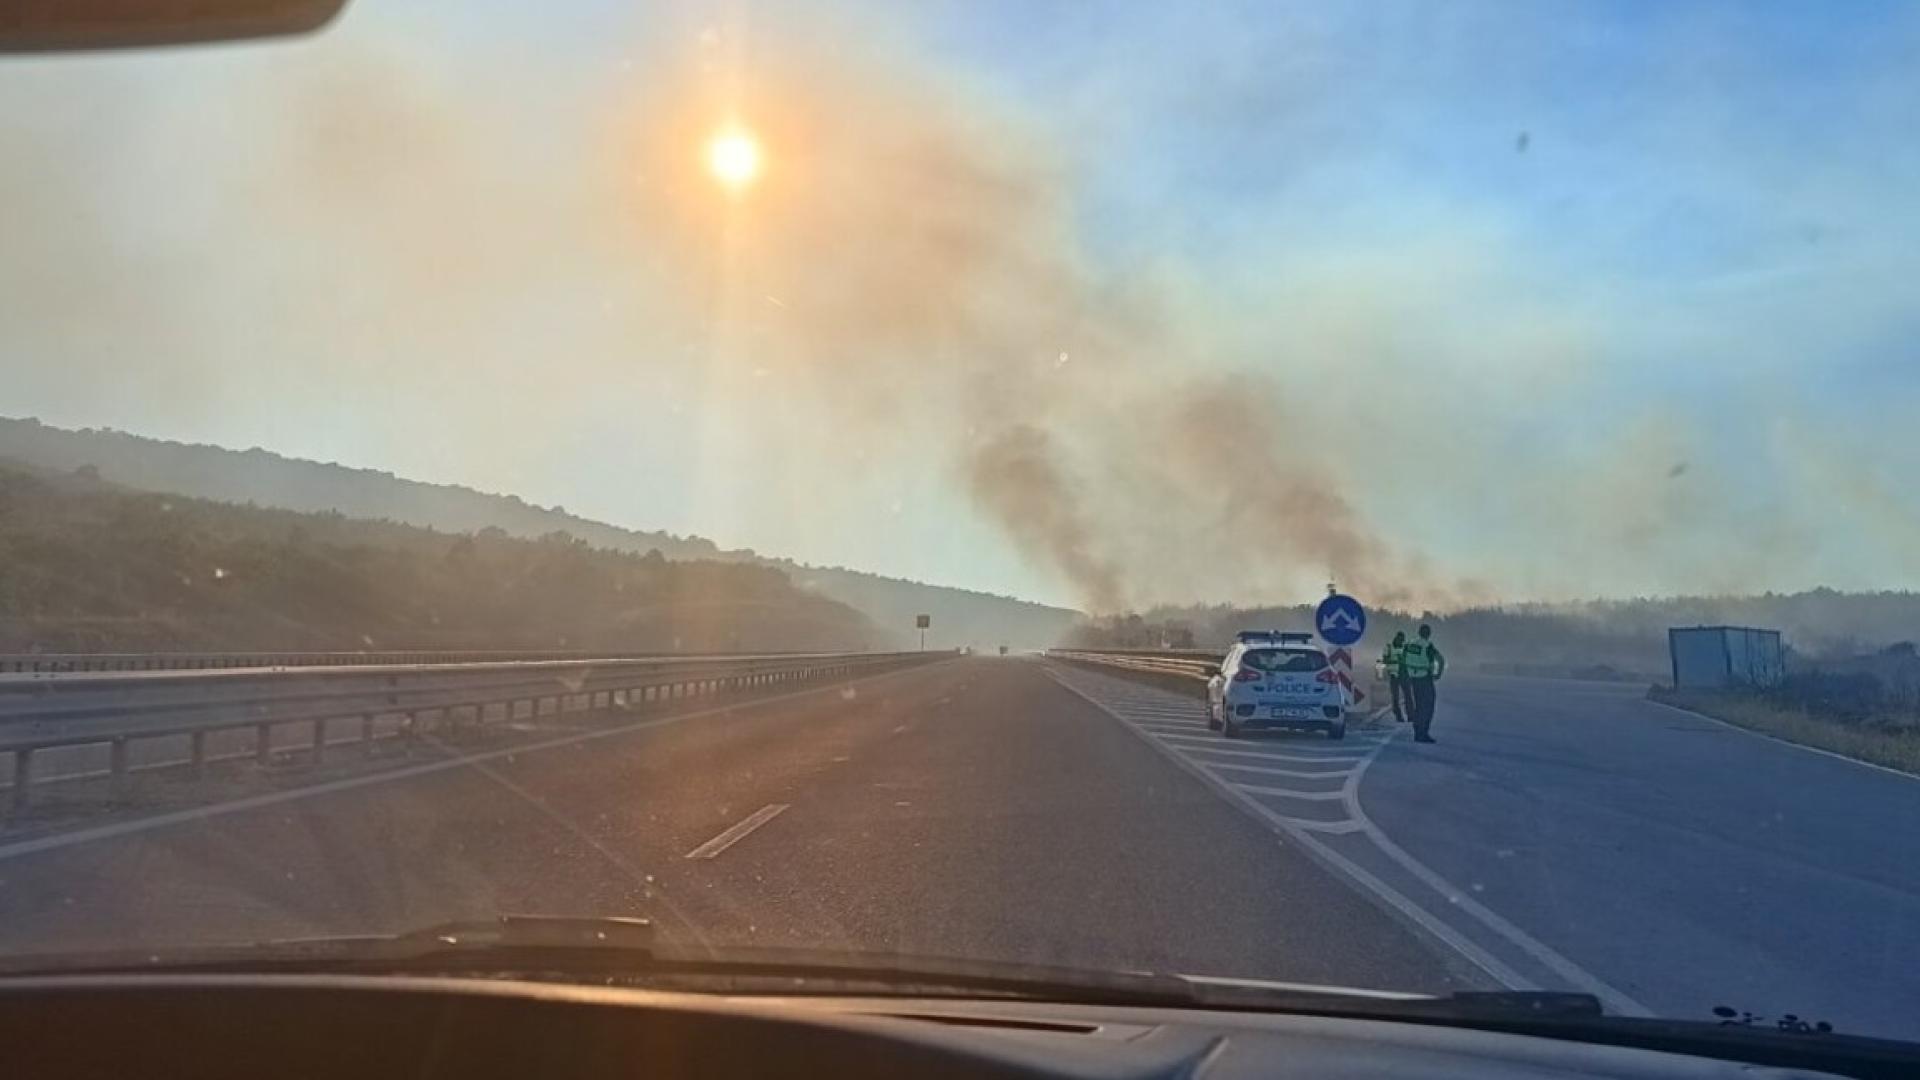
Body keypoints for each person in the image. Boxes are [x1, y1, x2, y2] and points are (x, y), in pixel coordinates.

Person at [1401, 624, 1446, 743]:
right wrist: (1438, 674)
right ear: (1429, 634)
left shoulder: (1410, 644)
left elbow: (1403, 659)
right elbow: (1441, 660)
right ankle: (1423, 733)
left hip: (1412, 678)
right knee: (1428, 706)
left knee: (1419, 705)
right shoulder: (1428, 646)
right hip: (1425, 678)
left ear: (1419, 632)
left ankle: (1417, 731)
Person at [1380, 631, 1411, 723]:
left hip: (1404, 673)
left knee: (1408, 696)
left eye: (1402, 640)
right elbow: (1385, 660)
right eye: (1400, 640)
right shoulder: (1389, 647)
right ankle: (1398, 715)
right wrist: (1397, 661)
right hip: (1394, 674)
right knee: (1395, 696)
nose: (1401, 642)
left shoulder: (1406, 647)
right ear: (1396, 638)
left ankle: (1410, 715)